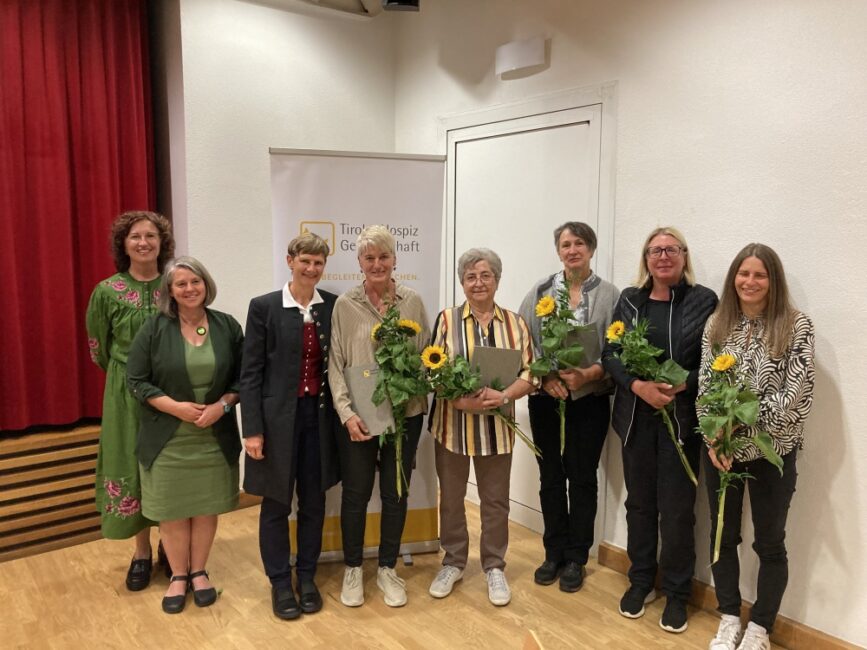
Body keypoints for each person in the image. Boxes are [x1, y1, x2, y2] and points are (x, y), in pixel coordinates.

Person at [601, 226, 717, 633]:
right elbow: (610, 353)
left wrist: (687, 382)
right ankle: (640, 580)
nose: (663, 256)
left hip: (682, 423)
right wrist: (637, 386)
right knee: (640, 505)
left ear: (684, 256)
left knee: (678, 511)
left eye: (671, 249)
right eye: (655, 250)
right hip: (636, 420)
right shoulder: (630, 300)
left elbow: (720, 358)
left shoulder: (704, 300)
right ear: (646, 258)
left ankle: (678, 592)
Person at [700, 244, 814, 650]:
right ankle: (729, 616)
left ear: (773, 281)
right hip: (720, 452)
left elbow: (795, 397)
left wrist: (738, 428)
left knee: (769, 542)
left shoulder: (796, 326)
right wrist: (715, 437)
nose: (750, 282)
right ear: (734, 278)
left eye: (759, 275)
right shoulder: (717, 324)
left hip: (772, 452)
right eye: (743, 273)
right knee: (722, 536)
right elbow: (705, 391)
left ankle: (760, 628)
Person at [127, 256, 243, 614]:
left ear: (206, 284)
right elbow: (136, 381)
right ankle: (178, 575)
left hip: (213, 434)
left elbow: (244, 378)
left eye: (195, 282)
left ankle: (199, 571)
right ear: (170, 291)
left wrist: (222, 406)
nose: (190, 289)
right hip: (168, 437)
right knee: (174, 510)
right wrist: (175, 407)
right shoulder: (153, 328)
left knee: (206, 508)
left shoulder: (226, 325)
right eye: (181, 284)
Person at [428, 248, 538, 607]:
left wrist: (505, 395)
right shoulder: (446, 320)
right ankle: (453, 562)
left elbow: (531, 373)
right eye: (471, 276)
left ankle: (494, 566)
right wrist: (458, 399)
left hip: (497, 430)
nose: (479, 283)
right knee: (452, 500)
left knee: (495, 502)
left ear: (497, 280)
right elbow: (433, 370)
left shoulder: (516, 323)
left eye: (485, 275)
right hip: (452, 428)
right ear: (462, 283)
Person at [328, 224, 430, 609]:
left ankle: (388, 567)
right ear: (359, 262)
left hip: (406, 415)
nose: (377, 264)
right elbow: (336, 364)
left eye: (383, 256)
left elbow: (425, 356)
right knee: (355, 494)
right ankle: (354, 567)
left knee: (395, 492)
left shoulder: (413, 301)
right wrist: (346, 413)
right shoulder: (345, 305)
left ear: (395, 259)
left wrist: (413, 389)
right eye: (369, 258)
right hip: (360, 418)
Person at [240, 233, 340, 621]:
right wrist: (252, 429)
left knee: (314, 502)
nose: (311, 269)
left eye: (318, 263)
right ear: (290, 260)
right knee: (276, 504)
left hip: (318, 420)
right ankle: (280, 582)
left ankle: (308, 576)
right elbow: (250, 374)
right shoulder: (264, 307)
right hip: (276, 423)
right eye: (305, 261)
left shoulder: (331, 306)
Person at [519, 222, 619, 593]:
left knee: (581, 478)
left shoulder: (610, 295)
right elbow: (522, 341)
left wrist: (591, 374)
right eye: (565, 244)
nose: (572, 250)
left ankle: (577, 556)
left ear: (591, 249)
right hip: (547, 400)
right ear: (558, 251)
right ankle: (553, 552)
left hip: (589, 402)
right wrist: (544, 378)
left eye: (579, 243)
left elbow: (617, 351)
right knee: (550, 477)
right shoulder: (541, 292)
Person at [86, 210, 174, 591]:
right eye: (136, 236)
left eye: (151, 236)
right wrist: (130, 375)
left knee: (169, 464)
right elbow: (98, 348)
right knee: (132, 461)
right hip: (124, 393)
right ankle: (141, 551)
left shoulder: (175, 286)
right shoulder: (106, 291)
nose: (144, 243)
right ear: (123, 244)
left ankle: (172, 546)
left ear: (161, 243)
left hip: (172, 389)